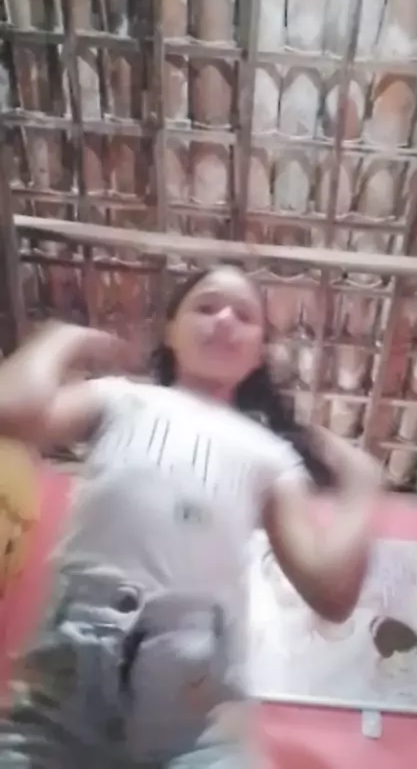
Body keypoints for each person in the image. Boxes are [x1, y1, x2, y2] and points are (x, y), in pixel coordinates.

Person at [0, 264, 383, 768]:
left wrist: (362, 490)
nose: (224, 319)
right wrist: (61, 338)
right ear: (171, 332)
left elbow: (329, 592)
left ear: (257, 353)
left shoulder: (271, 454)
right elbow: (11, 412)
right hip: (66, 674)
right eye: (206, 306)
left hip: (198, 701)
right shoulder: (120, 397)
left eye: (244, 315)